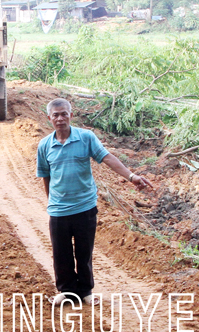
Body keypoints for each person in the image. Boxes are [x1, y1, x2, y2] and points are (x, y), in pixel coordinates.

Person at [36, 98, 153, 306]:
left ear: (71, 115)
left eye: (64, 114)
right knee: (60, 253)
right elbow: (45, 175)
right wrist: (51, 202)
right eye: (56, 115)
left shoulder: (85, 137)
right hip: (58, 210)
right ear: (49, 118)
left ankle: (86, 291)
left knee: (84, 251)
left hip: (85, 206)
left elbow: (107, 158)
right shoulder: (45, 145)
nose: (60, 118)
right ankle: (67, 292)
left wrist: (131, 176)